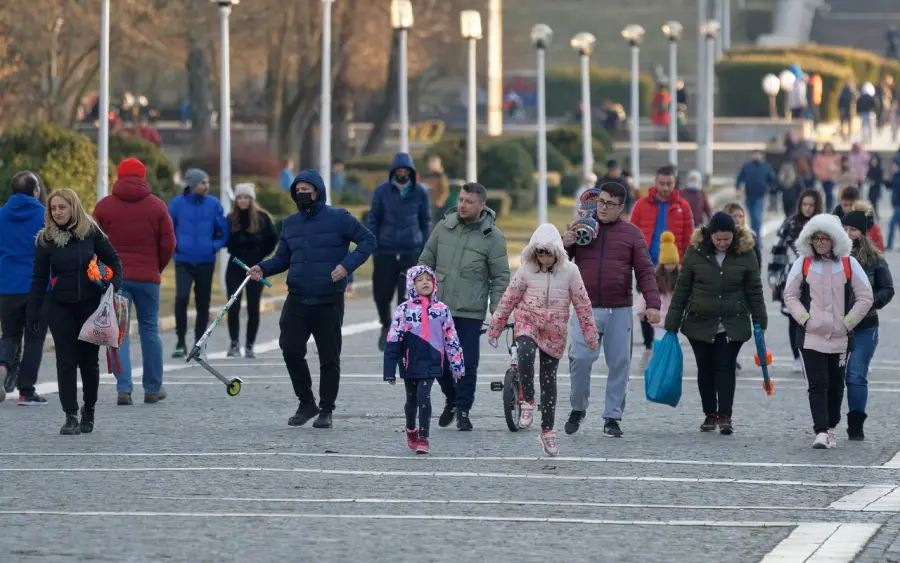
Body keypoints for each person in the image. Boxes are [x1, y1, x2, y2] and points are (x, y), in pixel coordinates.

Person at [249, 170, 375, 429]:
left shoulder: (339, 217)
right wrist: (263, 267)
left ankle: (326, 409)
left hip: (329, 298)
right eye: (298, 189)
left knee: (329, 357)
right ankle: (306, 402)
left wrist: (346, 266)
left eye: (307, 188)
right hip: (297, 297)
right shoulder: (290, 223)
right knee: (291, 349)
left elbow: (368, 240)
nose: (302, 193)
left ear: (318, 191)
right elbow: (282, 258)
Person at [486, 223, 599, 456]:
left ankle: (547, 430)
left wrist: (590, 333)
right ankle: (527, 399)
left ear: (557, 251)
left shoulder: (570, 271)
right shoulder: (526, 269)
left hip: (554, 330)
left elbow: (582, 303)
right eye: (539, 252)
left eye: (548, 253)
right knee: (525, 353)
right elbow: (509, 297)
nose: (543, 258)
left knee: (549, 379)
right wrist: (496, 325)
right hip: (528, 321)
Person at [564, 183, 661, 438]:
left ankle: (612, 416)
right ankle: (578, 408)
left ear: (621, 207)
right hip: (586, 308)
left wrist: (652, 303)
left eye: (609, 204)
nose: (603, 207)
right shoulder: (581, 227)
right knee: (580, 359)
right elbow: (558, 263)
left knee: (619, 363)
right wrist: (564, 245)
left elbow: (644, 271)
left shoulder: (632, 234)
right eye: (600, 201)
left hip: (619, 308)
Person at [27, 189, 123, 435]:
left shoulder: (91, 232)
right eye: (53, 208)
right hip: (59, 306)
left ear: (73, 208)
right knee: (65, 361)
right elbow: (38, 279)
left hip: (90, 306)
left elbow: (115, 262)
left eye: (62, 207)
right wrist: (33, 312)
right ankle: (70, 415)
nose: (57, 212)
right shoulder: (45, 239)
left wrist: (111, 289)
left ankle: (88, 410)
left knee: (89, 363)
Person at [666, 212, 767, 435]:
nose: (722, 243)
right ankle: (710, 413)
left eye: (727, 239)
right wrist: (672, 320)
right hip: (699, 320)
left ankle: (725, 415)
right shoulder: (695, 252)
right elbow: (683, 288)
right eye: (718, 239)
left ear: (734, 235)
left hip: (732, 321)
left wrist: (760, 319)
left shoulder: (746, 253)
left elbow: (754, 289)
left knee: (725, 366)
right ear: (710, 235)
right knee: (705, 367)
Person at [419, 182, 510, 431]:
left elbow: (500, 277)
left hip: (470, 310)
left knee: (466, 363)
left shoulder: (493, 237)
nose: (462, 205)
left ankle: (463, 410)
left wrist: (497, 310)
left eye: (468, 201)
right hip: (439, 308)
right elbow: (425, 262)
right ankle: (452, 398)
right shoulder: (443, 227)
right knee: (438, 362)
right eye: (460, 199)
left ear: (482, 205)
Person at [782, 214, 873, 449]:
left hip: (841, 337)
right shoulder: (803, 263)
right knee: (817, 384)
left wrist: (847, 322)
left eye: (824, 238)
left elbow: (865, 297)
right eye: (816, 238)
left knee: (835, 386)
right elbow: (790, 295)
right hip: (811, 336)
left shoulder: (848, 264)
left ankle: (832, 427)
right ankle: (820, 431)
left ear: (834, 240)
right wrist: (805, 319)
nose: (820, 242)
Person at [93, 158, 176, 405]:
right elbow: (169, 243)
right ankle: (152, 388)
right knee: (150, 330)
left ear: (118, 176)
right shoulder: (157, 206)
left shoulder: (105, 206)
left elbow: (94, 242)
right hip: (148, 278)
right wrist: (155, 268)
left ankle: (124, 388)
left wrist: (105, 271)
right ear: (143, 175)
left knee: (119, 333)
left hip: (116, 279)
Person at [383, 265, 464, 455]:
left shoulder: (442, 309)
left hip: (433, 361)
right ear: (412, 284)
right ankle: (411, 428)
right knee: (411, 400)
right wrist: (389, 370)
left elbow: (451, 338)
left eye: (429, 279)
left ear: (434, 283)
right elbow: (393, 339)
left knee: (424, 396)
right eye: (420, 280)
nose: (425, 282)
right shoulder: (404, 310)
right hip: (411, 362)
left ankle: (424, 438)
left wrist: (457, 365)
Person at [629, 165, 694, 361]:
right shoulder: (641, 205)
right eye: (662, 183)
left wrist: (685, 263)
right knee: (644, 301)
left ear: (674, 184)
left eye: (669, 184)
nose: (665, 188)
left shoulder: (683, 206)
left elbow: (689, 237)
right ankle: (649, 341)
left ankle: (667, 335)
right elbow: (632, 232)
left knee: (669, 303)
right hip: (647, 264)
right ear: (655, 182)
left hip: (672, 267)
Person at [368, 153, 431, 350]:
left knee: (406, 296)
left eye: (406, 171)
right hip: (385, 251)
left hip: (410, 251)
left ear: (411, 173)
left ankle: (403, 333)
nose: (402, 174)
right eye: (399, 170)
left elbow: (426, 222)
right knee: (381, 294)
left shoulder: (420, 192)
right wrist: (375, 246)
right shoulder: (381, 192)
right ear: (393, 172)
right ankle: (386, 325)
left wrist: (425, 250)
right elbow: (373, 220)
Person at [841, 210, 894, 441]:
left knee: (855, 374)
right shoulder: (830, 256)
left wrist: (869, 302)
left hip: (865, 326)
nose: (848, 234)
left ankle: (856, 424)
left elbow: (888, 289)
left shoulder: (874, 260)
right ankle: (826, 425)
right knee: (831, 378)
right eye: (845, 229)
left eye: (853, 230)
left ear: (862, 233)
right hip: (835, 327)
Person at [167, 168, 229, 358]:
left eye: (207, 182)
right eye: (203, 182)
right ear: (193, 184)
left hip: (206, 261)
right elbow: (168, 228)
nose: (207, 186)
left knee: (203, 304)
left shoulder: (214, 204)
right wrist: (175, 248)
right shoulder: (177, 204)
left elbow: (224, 230)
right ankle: (180, 342)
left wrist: (214, 246)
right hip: (183, 261)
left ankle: (198, 344)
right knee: (181, 299)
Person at [0, 172, 49, 404]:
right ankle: (26, 391)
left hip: (7, 286)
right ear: (36, 191)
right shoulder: (45, 216)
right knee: (34, 338)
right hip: (37, 288)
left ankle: (2, 371)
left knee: (9, 334)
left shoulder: (1, 215)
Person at [769, 189, 823, 371]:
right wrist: (773, 275)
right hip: (791, 278)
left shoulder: (823, 226)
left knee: (814, 318)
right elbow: (777, 250)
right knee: (794, 319)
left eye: (811, 205)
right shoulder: (790, 224)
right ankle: (796, 356)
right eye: (804, 204)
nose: (807, 208)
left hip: (817, 281)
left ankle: (812, 353)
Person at [224, 183, 277, 359]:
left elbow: (272, 240)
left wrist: (260, 258)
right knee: (233, 304)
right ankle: (233, 344)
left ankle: (249, 345)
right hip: (236, 267)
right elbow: (226, 240)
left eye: (246, 197)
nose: (243, 201)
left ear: (251, 199)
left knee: (253, 306)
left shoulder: (263, 218)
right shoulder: (231, 219)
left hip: (255, 268)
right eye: (239, 197)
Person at [635, 231, 679, 368]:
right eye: (667, 263)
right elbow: (645, 295)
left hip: (672, 319)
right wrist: (642, 311)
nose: (670, 266)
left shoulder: (680, 278)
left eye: (673, 263)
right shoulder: (656, 277)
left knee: (670, 343)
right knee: (660, 341)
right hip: (658, 318)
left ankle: (665, 363)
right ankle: (658, 363)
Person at [735, 150, 777, 244]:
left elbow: (772, 180)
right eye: (754, 154)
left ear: (761, 156)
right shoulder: (746, 166)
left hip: (760, 197)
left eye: (758, 154)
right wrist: (738, 188)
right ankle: (753, 238)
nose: (756, 156)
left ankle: (756, 241)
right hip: (749, 196)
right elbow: (739, 177)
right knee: (751, 218)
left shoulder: (766, 166)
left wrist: (771, 188)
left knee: (756, 218)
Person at [723, 202, 762, 266]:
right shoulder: (718, 237)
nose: (738, 219)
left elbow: (757, 263)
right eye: (734, 216)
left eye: (741, 216)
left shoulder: (750, 236)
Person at [421, 155, 450, 227]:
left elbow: (445, 190)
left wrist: (440, 201)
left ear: (439, 164)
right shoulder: (426, 175)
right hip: (426, 202)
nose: (432, 165)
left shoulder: (441, 176)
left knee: (433, 223)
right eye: (431, 163)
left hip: (435, 204)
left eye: (434, 163)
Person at [813, 143, 839, 211]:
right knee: (822, 195)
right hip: (822, 179)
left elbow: (839, 167)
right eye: (826, 148)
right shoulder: (819, 157)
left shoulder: (835, 157)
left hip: (831, 179)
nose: (828, 149)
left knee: (829, 194)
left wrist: (835, 169)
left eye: (829, 148)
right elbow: (815, 167)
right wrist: (818, 174)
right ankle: (821, 209)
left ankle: (829, 208)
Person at [866, 154, 886, 219]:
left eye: (875, 161)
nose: (873, 162)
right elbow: (867, 178)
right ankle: (872, 216)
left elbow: (881, 180)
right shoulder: (870, 169)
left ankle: (876, 216)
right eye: (872, 161)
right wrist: (869, 181)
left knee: (874, 203)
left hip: (876, 189)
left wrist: (874, 182)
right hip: (870, 189)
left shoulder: (879, 170)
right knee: (871, 202)